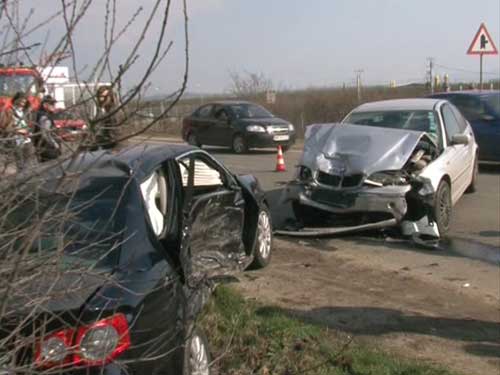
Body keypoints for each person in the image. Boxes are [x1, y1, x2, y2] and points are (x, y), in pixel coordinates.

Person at [1, 92, 35, 171]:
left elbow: (29, 125)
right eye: (21, 101)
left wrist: (28, 130)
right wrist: (19, 131)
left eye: (24, 101)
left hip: (27, 140)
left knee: (30, 163)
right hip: (16, 141)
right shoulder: (9, 112)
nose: (22, 103)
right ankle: (22, 181)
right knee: (21, 164)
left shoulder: (25, 112)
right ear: (16, 100)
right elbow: (5, 128)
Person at [34, 95, 61, 162]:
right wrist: (55, 145)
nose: (54, 106)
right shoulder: (44, 117)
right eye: (51, 104)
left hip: (44, 147)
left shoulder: (44, 114)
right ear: (45, 105)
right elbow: (45, 134)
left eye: (54, 104)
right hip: (48, 149)